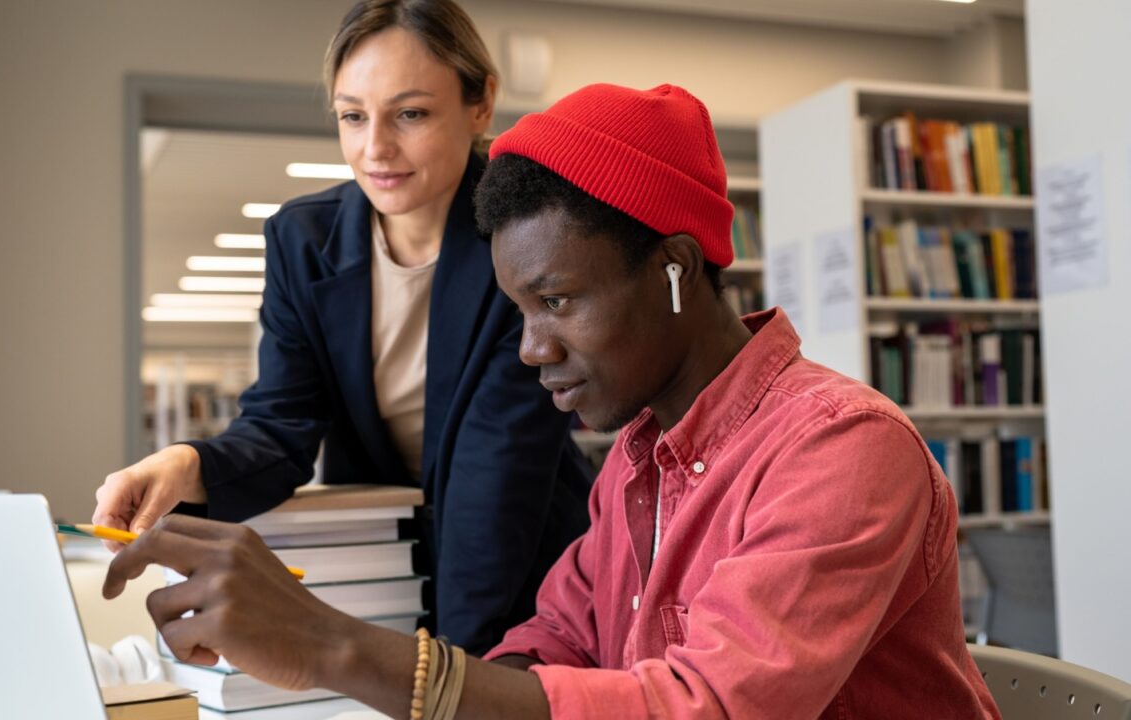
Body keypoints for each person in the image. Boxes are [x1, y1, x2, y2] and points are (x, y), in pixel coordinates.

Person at [103, 82, 1001, 719]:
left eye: (558, 300)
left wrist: (335, 647)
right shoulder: (638, 465)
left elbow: (711, 711)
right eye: (521, 310)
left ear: (676, 270)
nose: (531, 347)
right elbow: (549, 639)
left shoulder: (842, 450)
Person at [92, 0, 593, 655]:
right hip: (382, 568)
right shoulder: (304, 241)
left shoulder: (525, 236)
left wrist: (447, 674)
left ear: (480, 103)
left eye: (410, 114)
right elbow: (279, 430)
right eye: (353, 116)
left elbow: (495, 479)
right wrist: (186, 464)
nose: (375, 148)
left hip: (530, 569)